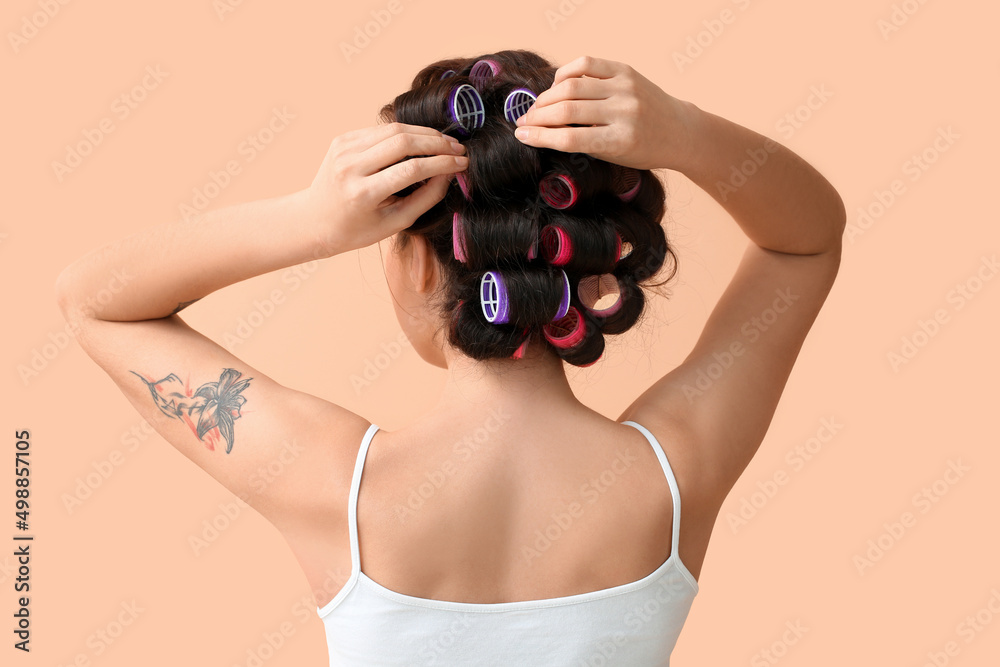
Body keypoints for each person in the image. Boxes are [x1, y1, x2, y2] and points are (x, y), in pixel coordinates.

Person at [55, 50, 845, 665]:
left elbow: (94, 298)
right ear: (587, 263)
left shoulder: (339, 489)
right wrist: (686, 133)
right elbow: (807, 241)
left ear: (422, 265)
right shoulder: (673, 475)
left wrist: (310, 220)